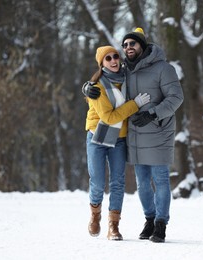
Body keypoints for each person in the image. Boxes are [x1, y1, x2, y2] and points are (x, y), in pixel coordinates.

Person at [84, 28, 184, 243]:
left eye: (133, 44)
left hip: (158, 130)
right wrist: (87, 88)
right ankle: (149, 219)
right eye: (125, 45)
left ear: (143, 46)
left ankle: (160, 224)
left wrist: (153, 113)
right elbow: (105, 83)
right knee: (142, 184)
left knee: (160, 180)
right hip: (135, 134)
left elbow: (176, 97)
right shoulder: (126, 70)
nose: (128, 48)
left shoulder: (163, 68)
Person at [84, 45, 150, 241]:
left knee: (118, 182)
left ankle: (113, 225)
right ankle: (95, 215)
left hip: (119, 138)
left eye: (115, 57)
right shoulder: (96, 87)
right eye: (108, 58)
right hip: (97, 136)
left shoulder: (128, 79)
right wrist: (135, 104)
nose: (113, 60)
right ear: (102, 64)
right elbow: (110, 117)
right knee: (97, 181)